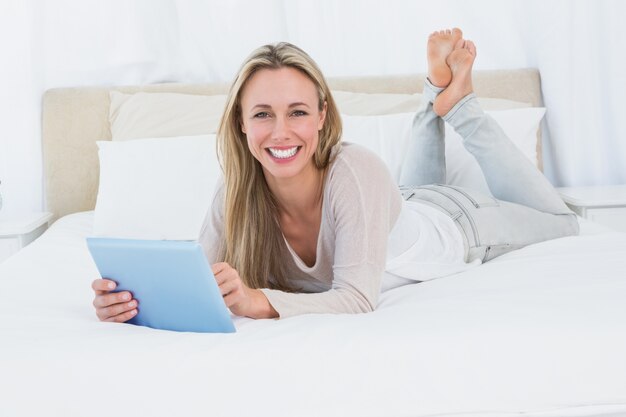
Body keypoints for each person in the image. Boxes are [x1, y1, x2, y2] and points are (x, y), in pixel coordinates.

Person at [91, 28, 578, 322]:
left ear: (322, 116)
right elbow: (197, 284)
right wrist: (131, 303)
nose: (280, 132)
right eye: (262, 114)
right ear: (240, 123)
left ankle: (457, 105)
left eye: (297, 112)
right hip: (394, 208)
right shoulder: (236, 191)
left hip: (460, 226)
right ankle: (434, 96)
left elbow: (356, 300)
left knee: (563, 223)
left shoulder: (356, 168)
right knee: (409, 193)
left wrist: (259, 301)